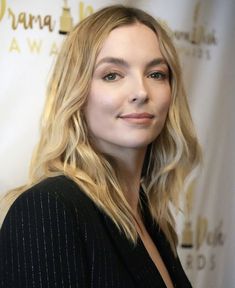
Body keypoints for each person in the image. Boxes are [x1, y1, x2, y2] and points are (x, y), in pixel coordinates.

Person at [0, 5, 201, 288]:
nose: (141, 92)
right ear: (77, 92)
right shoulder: (48, 210)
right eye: (112, 75)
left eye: (156, 74)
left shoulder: (150, 216)